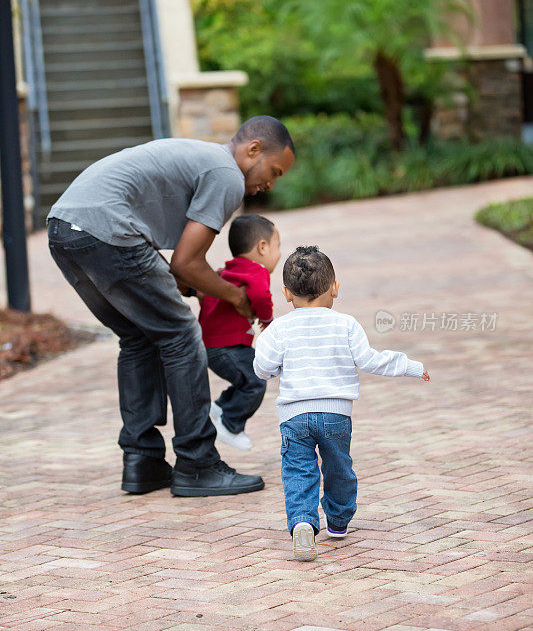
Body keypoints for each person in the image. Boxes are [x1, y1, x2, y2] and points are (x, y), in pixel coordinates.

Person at [46, 116, 295, 498]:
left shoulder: (205, 160)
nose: (270, 185)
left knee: (138, 335)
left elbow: (179, 274)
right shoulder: (227, 175)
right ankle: (197, 463)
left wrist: (204, 290)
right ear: (254, 150)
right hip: (107, 230)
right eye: (274, 171)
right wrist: (235, 297)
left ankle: (142, 461)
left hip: (65, 227)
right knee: (181, 334)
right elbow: (186, 264)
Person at [253, 245, 430, 561]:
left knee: (298, 470)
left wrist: (270, 355)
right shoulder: (346, 324)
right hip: (336, 415)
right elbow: (370, 360)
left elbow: (262, 367)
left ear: (286, 293)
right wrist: (411, 366)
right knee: (339, 469)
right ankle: (338, 520)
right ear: (334, 286)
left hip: (295, 417)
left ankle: (303, 523)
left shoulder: (279, 328)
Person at [199, 214, 281, 451]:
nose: (279, 254)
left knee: (244, 378)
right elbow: (260, 295)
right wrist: (267, 319)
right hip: (228, 347)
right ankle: (230, 425)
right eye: (278, 247)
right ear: (262, 247)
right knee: (256, 379)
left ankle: (222, 406)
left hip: (211, 346)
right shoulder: (256, 271)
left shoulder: (227, 271)